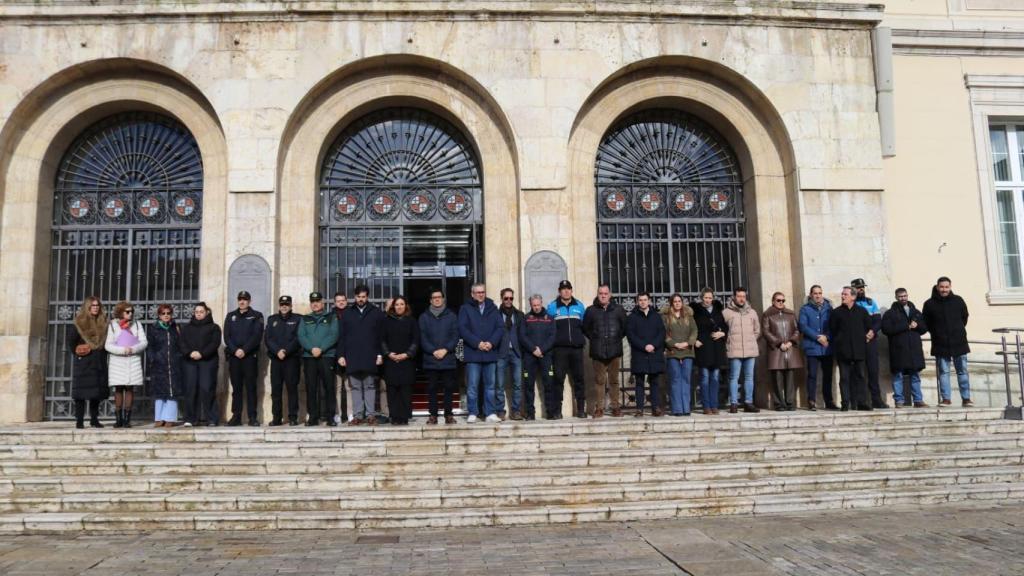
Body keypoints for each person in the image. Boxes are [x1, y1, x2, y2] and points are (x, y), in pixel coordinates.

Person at [338, 285, 384, 425]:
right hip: (352, 356)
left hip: (370, 355)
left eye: (363, 297)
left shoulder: (376, 312)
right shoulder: (347, 313)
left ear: (367, 297)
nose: (361, 299)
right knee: (356, 387)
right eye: (358, 297)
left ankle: (370, 415)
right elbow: (342, 336)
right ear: (354, 297)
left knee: (370, 386)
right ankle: (357, 415)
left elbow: (381, 336)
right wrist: (341, 355)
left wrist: (380, 354)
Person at [923, 276, 972, 407]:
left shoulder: (958, 300)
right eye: (942, 287)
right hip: (940, 343)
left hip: (959, 342)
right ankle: (946, 399)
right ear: (937, 287)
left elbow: (964, 317)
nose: (944, 289)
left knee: (962, 371)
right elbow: (926, 322)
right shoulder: (929, 304)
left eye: (946, 287)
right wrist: (937, 333)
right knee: (944, 372)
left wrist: (957, 330)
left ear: (950, 287)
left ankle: (966, 398)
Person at [459, 283, 503, 423]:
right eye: (477, 292)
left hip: (490, 352)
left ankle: (490, 412)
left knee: (490, 386)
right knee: (472, 386)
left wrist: (491, 342)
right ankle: (473, 412)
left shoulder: (493, 308)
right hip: (473, 352)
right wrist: (477, 343)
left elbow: (500, 328)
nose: (480, 294)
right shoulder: (465, 308)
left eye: (482, 292)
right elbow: (463, 329)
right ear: (472, 294)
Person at [583, 284, 628, 417]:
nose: (603, 295)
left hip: (614, 350)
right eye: (601, 293)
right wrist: (595, 338)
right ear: (598, 294)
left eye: (605, 293)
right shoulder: (591, 310)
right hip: (598, 351)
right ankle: (600, 408)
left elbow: (624, 328)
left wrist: (616, 338)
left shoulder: (618, 310)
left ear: (610, 295)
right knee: (599, 380)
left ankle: (615, 407)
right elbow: (585, 328)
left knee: (614, 380)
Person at [882, 288, 929, 408]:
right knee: (898, 376)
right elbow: (886, 329)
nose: (903, 298)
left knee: (915, 376)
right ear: (896, 297)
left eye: (905, 296)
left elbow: (924, 328)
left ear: (908, 296)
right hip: (898, 349)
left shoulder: (916, 312)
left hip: (914, 349)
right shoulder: (890, 313)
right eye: (900, 296)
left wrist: (917, 325)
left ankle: (918, 400)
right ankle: (899, 400)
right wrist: (906, 326)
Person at [547, 280, 587, 418]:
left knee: (579, 379)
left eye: (568, 289)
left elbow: (585, 326)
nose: (566, 291)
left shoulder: (580, 306)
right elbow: (549, 328)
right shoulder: (552, 307)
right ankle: (557, 411)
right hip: (559, 350)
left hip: (576, 349)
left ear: (571, 290)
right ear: (559, 291)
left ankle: (581, 409)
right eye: (563, 289)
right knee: (558, 380)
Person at [105, 301, 148, 428]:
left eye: (132, 312)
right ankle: (118, 419)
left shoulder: (137, 324)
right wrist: (122, 350)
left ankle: (127, 419)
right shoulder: (113, 325)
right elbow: (108, 345)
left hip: (132, 359)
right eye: (127, 312)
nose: (130, 314)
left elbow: (144, 342)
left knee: (129, 388)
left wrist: (133, 349)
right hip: (118, 360)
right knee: (118, 389)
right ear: (120, 312)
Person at [298, 291, 339, 426]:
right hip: (309, 357)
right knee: (311, 388)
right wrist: (312, 349)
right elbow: (301, 336)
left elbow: (333, 335)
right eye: (312, 302)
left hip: (326, 356)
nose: (315, 304)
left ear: (322, 303)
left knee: (328, 387)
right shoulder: (305, 319)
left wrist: (321, 349)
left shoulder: (331, 317)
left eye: (317, 301)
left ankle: (330, 417)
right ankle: (313, 417)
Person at [224, 291, 264, 426]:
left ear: (249, 301)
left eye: (245, 299)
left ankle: (253, 417)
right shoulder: (231, 316)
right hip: (234, 357)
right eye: (240, 299)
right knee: (237, 388)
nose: (242, 302)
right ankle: (236, 416)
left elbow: (257, 336)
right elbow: (227, 336)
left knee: (251, 387)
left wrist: (244, 350)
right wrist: (235, 350)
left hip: (249, 357)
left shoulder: (256, 316)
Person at [419, 289, 459, 424]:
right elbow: (422, 337)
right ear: (430, 300)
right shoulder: (424, 317)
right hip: (431, 359)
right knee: (432, 388)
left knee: (449, 388)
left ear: (443, 299)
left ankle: (448, 414)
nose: (437, 299)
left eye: (439, 297)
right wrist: (433, 351)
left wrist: (446, 349)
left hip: (448, 359)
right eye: (434, 297)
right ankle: (433, 415)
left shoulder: (452, 316)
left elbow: (455, 336)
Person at [178, 302, 222, 427]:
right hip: (190, 362)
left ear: (207, 312)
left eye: (201, 312)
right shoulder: (186, 328)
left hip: (207, 362)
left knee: (207, 388)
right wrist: (190, 353)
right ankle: (191, 418)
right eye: (196, 312)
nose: (198, 314)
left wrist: (202, 353)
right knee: (191, 389)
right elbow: (181, 343)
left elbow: (215, 343)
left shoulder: (214, 327)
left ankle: (212, 418)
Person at [68, 297, 109, 429]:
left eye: (97, 305)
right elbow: (71, 343)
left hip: (98, 361)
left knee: (95, 393)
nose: (96, 307)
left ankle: (94, 419)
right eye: (93, 305)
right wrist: (79, 352)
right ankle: (79, 421)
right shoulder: (79, 323)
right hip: (84, 362)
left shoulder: (103, 322)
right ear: (87, 307)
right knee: (80, 393)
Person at [830, 286, 873, 411]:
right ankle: (845, 403)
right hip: (843, 351)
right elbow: (833, 329)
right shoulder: (836, 312)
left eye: (845, 294)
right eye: (842, 294)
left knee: (860, 376)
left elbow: (869, 326)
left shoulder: (862, 311)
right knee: (844, 378)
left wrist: (870, 333)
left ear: (853, 297)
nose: (843, 296)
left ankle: (861, 402)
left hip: (859, 350)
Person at [626, 292, 666, 417]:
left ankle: (655, 408)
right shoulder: (632, 317)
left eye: (645, 299)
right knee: (639, 382)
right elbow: (631, 335)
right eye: (640, 300)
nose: (643, 302)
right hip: (639, 353)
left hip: (654, 352)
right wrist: (644, 346)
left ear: (649, 301)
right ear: (637, 302)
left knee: (654, 382)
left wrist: (653, 345)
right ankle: (639, 409)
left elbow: (661, 333)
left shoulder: (656, 316)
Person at [381, 296, 419, 426]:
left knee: (405, 390)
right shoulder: (386, 321)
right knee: (392, 390)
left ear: (406, 306)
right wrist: (388, 354)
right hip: (391, 361)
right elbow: (382, 340)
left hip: (406, 361)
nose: (399, 307)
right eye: (397, 304)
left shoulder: (412, 321)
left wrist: (407, 354)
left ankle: (404, 416)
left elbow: (416, 340)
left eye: (402, 304)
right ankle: (394, 416)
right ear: (393, 307)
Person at [762, 292, 803, 411]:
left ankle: (790, 402)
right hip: (776, 350)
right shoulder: (767, 314)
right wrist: (779, 343)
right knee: (777, 378)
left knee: (790, 377)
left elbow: (797, 329)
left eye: (783, 300)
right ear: (773, 301)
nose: (781, 303)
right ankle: (779, 404)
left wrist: (791, 342)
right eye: (778, 300)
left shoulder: (790, 313)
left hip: (790, 350)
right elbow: (766, 331)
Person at [265, 295, 303, 426]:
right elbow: (268, 338)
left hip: (291, 359)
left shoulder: (298, 319)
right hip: (276, 360)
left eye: (287, 304)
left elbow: (298, 338)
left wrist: (286, 351)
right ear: (279, 306)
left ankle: (293, 417)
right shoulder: (272, 319)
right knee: (276, 390)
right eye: (282, 304)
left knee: (292, 388)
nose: (284, 306)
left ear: (291, 305)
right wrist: (277, 351)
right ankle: (277, 417)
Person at [690, 288, 728, 415]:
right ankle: (706, 406)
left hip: (716, 348)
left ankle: (714, 405)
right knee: (705, 378)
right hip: (703, 348)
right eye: (705, 297)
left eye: (710, 298)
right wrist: (695, 340)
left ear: (713, 298)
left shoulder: (718, 310)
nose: (708, 300)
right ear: (702, 297)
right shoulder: (696, 311)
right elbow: (691, 328)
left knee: (715, 378)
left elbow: (725, 326)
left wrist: (722, 333)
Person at [799, 285, 837, 411]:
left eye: (820, 293)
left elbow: (833, 326)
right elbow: (803, 326)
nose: (818, 295)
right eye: (815, 293)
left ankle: (829, 401)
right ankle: (811, 401)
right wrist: (817, 337)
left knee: (828, 376)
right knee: (812, 375)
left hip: (826, 347)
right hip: (812, 347)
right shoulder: (805, 309)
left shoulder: (829, 309)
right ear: (811, 295)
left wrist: (826, 336)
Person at [723, 287, 760, 414]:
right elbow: (723, 330)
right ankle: (734, 403)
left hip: (750, 350)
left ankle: (748, 403)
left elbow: (757, 330)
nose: (741, 298)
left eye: (743, 296)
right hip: (734, 350)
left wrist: (751, 340)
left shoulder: (752, 312)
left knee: (749, 377)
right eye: (739, 296)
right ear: (734, 297)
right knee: (734, 377)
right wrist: (729, 342)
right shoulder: (727, 312)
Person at [851, 278, 888, 408]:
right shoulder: (851, 303)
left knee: (873, 371)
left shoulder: (871, 302)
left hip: (871, 341)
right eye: (858, 287)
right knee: (858, 372)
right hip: (858, 343)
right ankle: (859, 401)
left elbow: (878, 320)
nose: (861, 289)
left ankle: (876, 399)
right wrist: (862, 336)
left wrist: (872, 332)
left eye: (862, 287)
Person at [520, 294, 555, 421]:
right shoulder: (526, 319)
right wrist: (533, 349)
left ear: (542, 303)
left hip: (546, 356)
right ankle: (530, 413)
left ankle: (550, 412)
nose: (536, 307)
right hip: (530, 356)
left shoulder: (550, 319)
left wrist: (542, 349)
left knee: (549, 384)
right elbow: (523, 336)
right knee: (528, 385)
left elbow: (552, 337)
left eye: (538, 305)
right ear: (531, 305)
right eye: (534, 305)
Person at [147, 304, 183, 427]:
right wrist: (153, 358)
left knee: (172, 391)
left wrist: (178, 357)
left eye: (168, 313)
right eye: (163, 313)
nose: (166, 315)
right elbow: (150, 346)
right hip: (159, 364)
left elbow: (181, 345)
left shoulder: (175, 328)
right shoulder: (154, 329)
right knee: (159, 392)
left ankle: (170, 418)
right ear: (159, 315)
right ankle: (159, 417)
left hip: (173, 364)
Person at [662, 293, 697, 417]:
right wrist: (674, 344)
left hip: (687, 352)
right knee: (675, 380)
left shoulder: (689, 317)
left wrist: (688, 342)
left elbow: (694, 331)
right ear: (671, 303)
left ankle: (686, 408)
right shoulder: (666, 318)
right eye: (675, 301)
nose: (677, 303)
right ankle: (677, 409)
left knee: (686, 380)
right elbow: (664, 334)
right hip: (673, 352)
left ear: (682, 303)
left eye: (679, 301)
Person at [496, 288, 526, 420]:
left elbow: (523, 334)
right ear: (501, 298)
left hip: (516, 352)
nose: (509, 301)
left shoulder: (519, 314)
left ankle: (516, 411)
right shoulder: (495, 314)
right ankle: (500, 411)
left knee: (518, 384)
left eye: (511, 298)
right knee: (499, 384)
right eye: (506, 298)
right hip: (501, 353)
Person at [331, 292, 349, 424]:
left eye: (343, 300)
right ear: (334, 303)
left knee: (349, 386)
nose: (341, 302)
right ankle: (337, 413)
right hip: (334, 355)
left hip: (350, 355)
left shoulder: (352, 314)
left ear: (346, 301)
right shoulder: (331, 316)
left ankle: (350, 414)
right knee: (336, 387)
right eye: (338, 301)